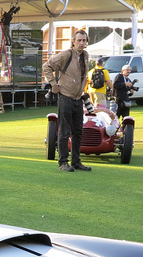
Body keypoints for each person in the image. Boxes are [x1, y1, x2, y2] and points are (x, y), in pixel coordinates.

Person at [42, 29, 91, 172]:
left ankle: (76, 161)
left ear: (87, 42)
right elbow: (47, 66)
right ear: (73, 41)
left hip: (78, 99)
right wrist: (53, 84)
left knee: (78, 132)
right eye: (79, 40)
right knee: (64, 131)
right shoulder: (66, 54)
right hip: (65, 97)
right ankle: (63, 162)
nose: (81, 43)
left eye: (84, 40)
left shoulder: (85, 56)